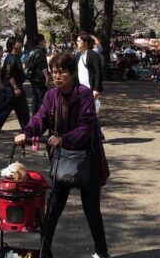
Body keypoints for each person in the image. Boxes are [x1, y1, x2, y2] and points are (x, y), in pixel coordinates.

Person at [14, 51, 110, 258]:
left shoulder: (83, 94)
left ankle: (102, 253)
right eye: (54, 72)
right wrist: (27, 132)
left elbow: (86, 126)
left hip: (88, 160)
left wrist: (63, 139)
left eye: (62, 72)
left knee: (92, 210)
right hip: (61, 161)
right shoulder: (51, 96)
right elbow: (40, 118)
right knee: (54, 209)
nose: (57, 76)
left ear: (73, 73)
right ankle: (43, 252)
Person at [0, 37, 29, 140]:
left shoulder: (17, 57)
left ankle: (27, 132)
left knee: (23, 111)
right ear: (13, 45)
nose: (20, 43)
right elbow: (9, 75)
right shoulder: (10, 59)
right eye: (18, 42)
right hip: (11, 89)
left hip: (18, 88)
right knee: (4, 110)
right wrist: (15, 88)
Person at [72, 33, 104, 113]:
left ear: (86, 43)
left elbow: (98, 72)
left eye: (79, 41)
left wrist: (96, 89)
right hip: (79, 87)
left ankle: (94, 124)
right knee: (81, 109)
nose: (77, 42)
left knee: (91, 110)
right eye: (77, 41)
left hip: (90, 87)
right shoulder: (78, 55)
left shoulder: (93, 55)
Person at [24, 33, 50, 116]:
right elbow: (43, 67)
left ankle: (35, 116)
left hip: (32, 77)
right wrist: (47, 78)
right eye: (43, 40)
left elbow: (26, 63)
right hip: (39, 78)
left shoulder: (31, 51)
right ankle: (42, 116)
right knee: (42, 97)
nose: (45, 42)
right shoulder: (40, 52)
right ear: (40, 41)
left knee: (35, 97)